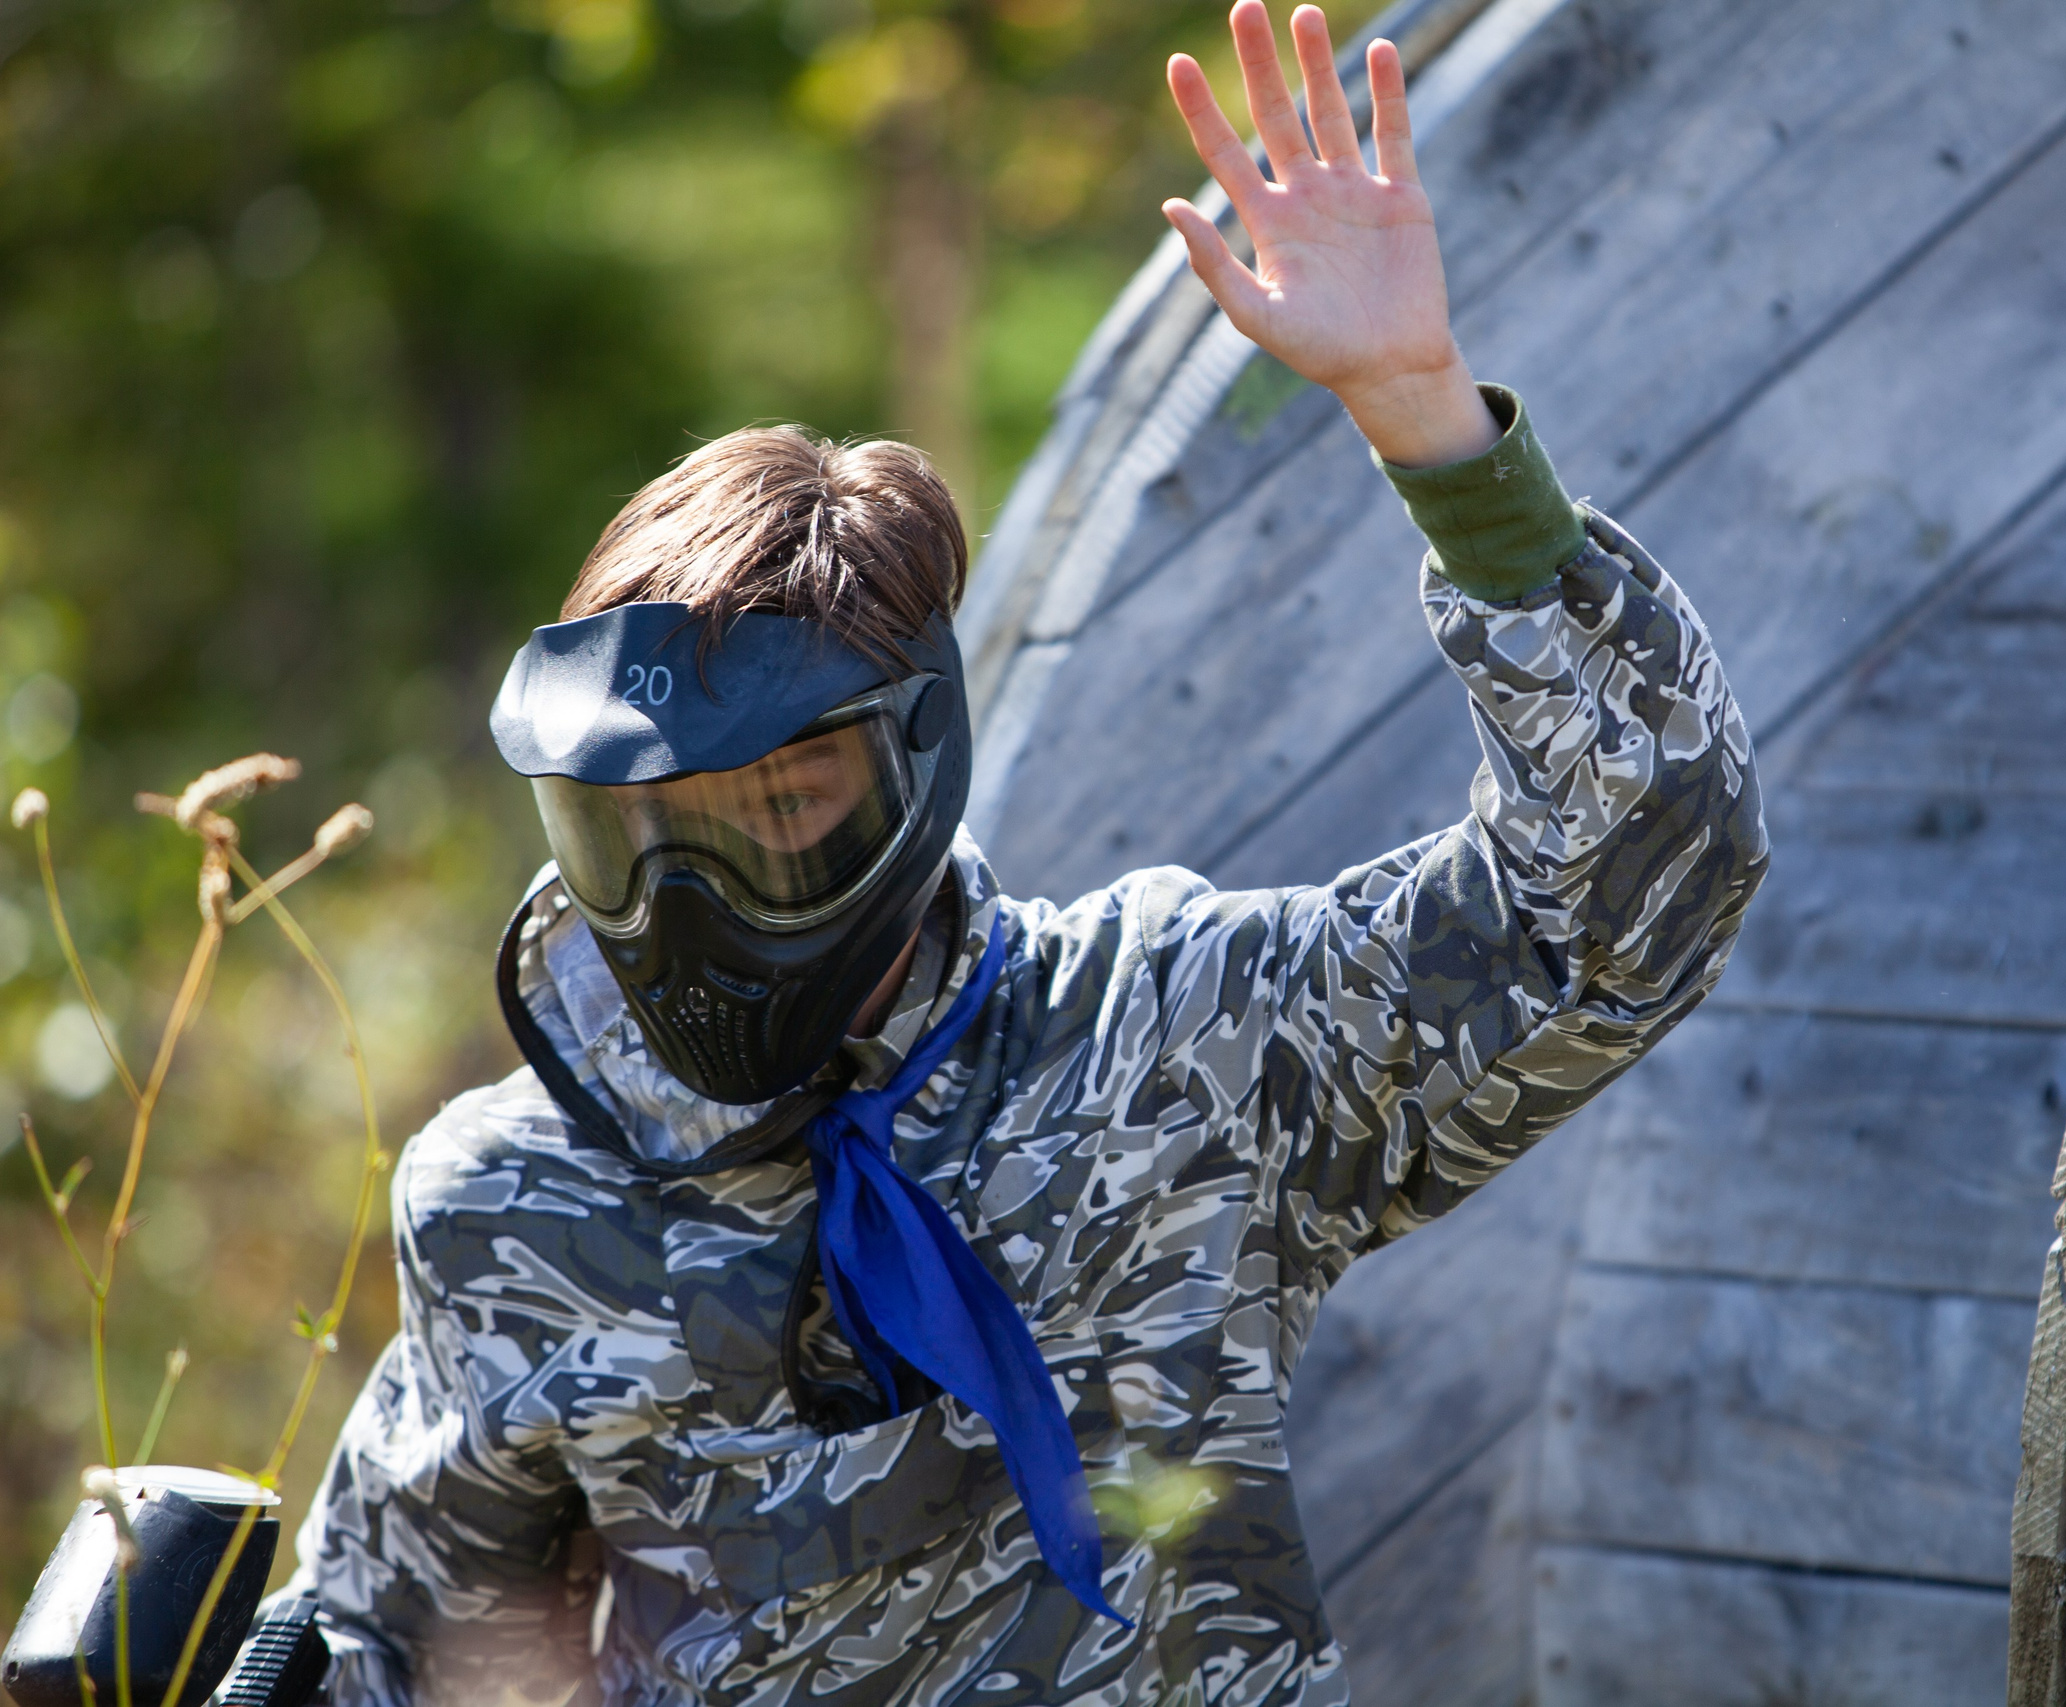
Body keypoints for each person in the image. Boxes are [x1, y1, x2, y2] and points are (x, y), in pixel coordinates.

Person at [275, 4, 1768, 1703]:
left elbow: (1630, 900)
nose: (687, 898)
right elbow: (398, 1651)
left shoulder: (1170, 1043)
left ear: (909, 766)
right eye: (639, 829)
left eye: (779, 806)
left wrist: (1428, 416)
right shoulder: (514, 1202)